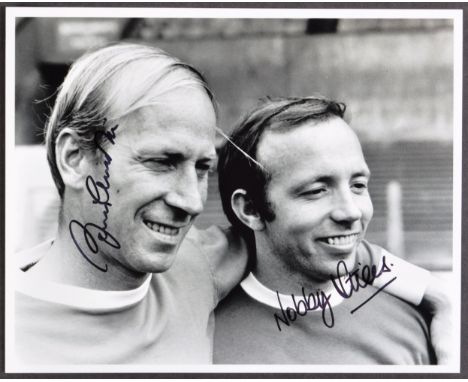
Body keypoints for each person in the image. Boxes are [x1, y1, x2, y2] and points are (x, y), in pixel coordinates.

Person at [14, 43, 451, 366]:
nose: (190, 201)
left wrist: (440, 300)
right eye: (162, 162)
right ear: (75, 157)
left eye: (202, 167)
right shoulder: (16, 336)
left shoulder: (194, 268)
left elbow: (323, 238)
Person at [214, 97, 447, 364]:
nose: (351, 212)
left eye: (358, 185)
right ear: (251, 209)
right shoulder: (199, 335)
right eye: (317, 191)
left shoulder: (421, 325)